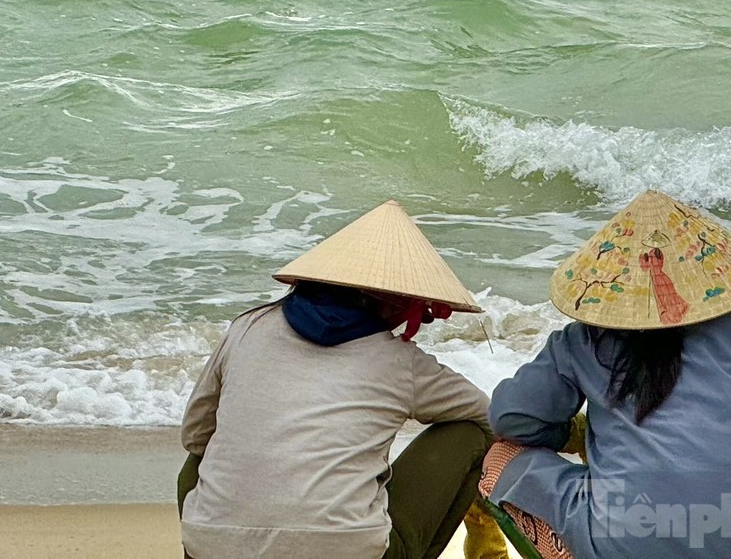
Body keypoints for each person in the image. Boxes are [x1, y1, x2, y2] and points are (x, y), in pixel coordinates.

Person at [481, 189, 731, 559]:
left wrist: (571, 434)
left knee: (500, 459)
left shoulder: (584, 339)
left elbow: (511, 418)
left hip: (619, 547)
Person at [179, 200, 498, 559]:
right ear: (393, 303)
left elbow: (194, 435)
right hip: (345, 551)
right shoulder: (399, 361)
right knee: (468, 435)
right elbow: (489, 416)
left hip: (213, 547)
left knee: (198, 458)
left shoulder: (246, 329)